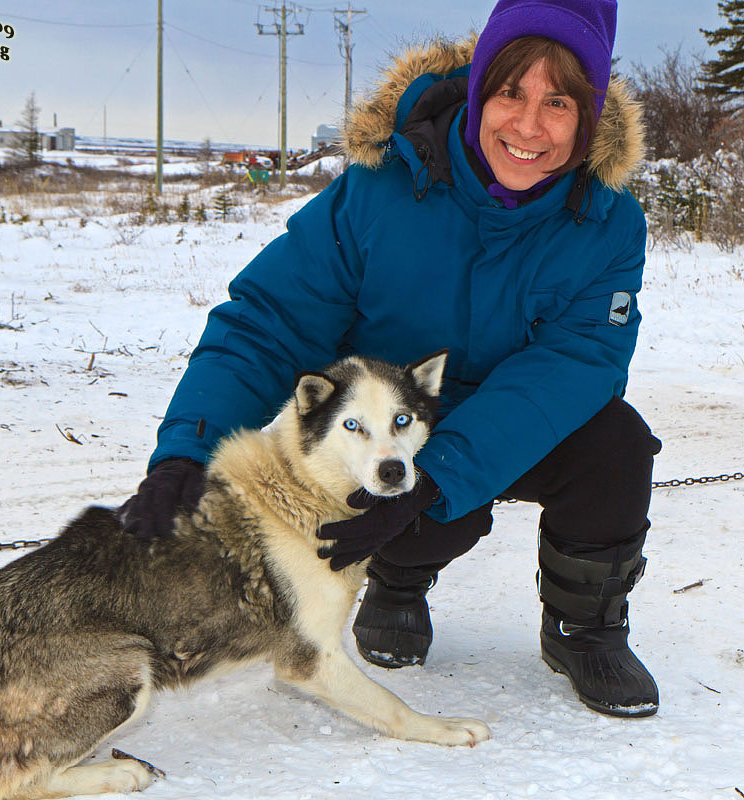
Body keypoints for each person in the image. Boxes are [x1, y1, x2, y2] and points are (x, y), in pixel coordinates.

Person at [119, 0, 661, 718]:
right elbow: (270, 322)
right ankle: (398, 585)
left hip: (507, 426)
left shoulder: (608, 222)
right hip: (394, 425)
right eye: (510, 93)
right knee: (401, 494)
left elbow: (574, 365)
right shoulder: (379, 190)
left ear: (589, 115)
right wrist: (187, 454)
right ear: (476, 94)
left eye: (558, 102)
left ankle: (582, 628)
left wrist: (438, 477)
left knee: (614, 445)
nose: (529, 127)